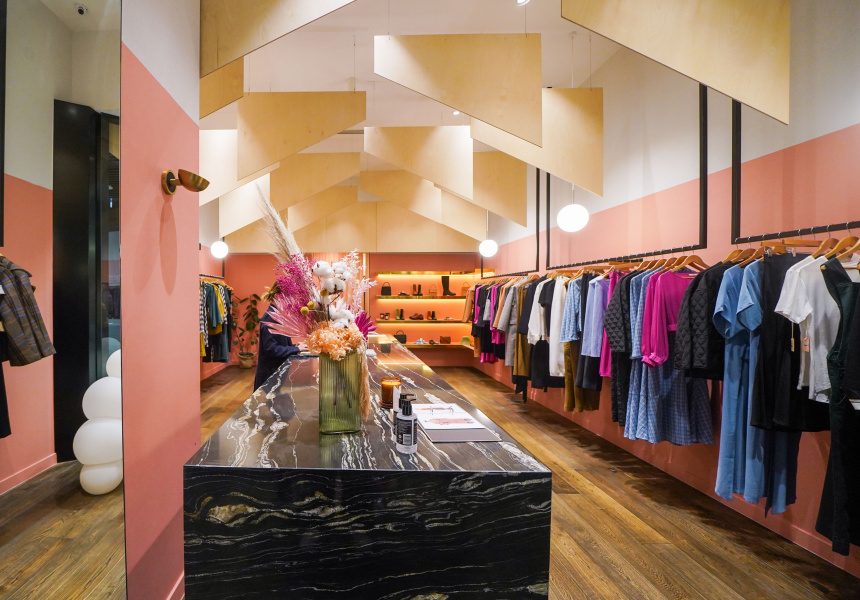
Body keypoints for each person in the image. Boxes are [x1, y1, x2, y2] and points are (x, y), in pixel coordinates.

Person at [254, 282, 301, 390]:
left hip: (273, 374)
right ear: (276, 296)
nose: (290, 302)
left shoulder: (276, 316)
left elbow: (278, 344)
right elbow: (271, 349)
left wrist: (294, 346)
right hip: (269, 376)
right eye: (288, 297)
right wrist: (296, 349)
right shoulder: (270, 318)